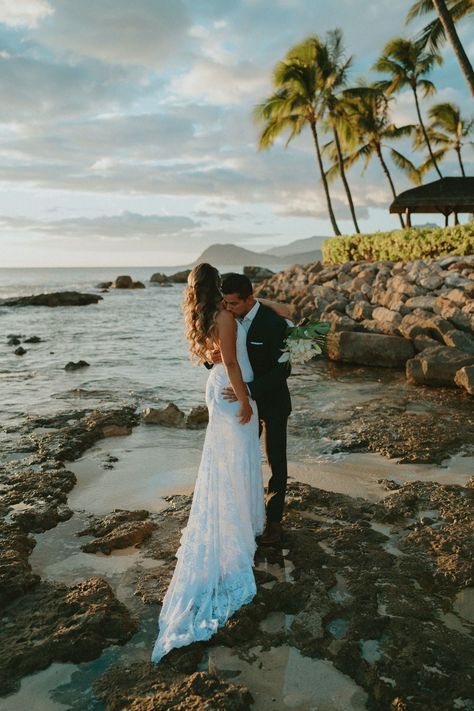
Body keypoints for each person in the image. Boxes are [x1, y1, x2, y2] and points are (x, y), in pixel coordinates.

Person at [151, 263, 286, 662]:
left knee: (229, 460)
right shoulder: (225, 315)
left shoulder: (204, 316)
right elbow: (229, 361)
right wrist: (246, 400)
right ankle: (239, 528)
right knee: (236, 459)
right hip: (232, 391)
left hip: (221, 389)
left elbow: (222, 354)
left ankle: (243, 520)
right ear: (218, 288)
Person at [220, 273, 292, 547]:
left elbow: (285, 368)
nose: (228, 309)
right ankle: (246, 515)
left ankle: (274, 522)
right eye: (225, 303)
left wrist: (249, 390)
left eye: (234, 304)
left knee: (276, 462)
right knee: (242, 459)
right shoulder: (225, 317)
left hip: (272, 402)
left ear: (250, 299)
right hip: (239, 405)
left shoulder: (273, 323)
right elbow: (221, 356)